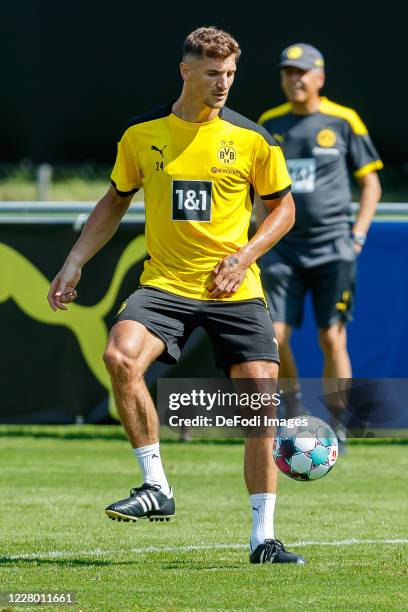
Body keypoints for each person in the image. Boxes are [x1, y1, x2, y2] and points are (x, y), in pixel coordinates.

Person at [47, 27, 305, 565]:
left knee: (261, 404)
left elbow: (283, 209)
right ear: (186, 71)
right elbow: (114, 201)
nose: (224, 84)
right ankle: (156, 486)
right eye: (213, 74)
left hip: (234, 286)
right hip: (165, 283)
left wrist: (244, 257)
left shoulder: (254, 139)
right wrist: (73, 261)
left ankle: (264, 539)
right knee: (119, 355)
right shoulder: (142, 135)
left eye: (231, 74)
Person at [257, 43, 382, 441]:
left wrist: (357, 234)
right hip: (284, 250)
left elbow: (371, 184)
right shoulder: (269, 123)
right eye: (287, 72)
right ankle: (293, 405)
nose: (295, 79)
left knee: (331, 337)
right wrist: (259, 239)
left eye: (302, 72)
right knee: (275, 338)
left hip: (333, 247)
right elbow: (259, 193)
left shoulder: (344, 120)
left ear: (319, 78)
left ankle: (338, 423)